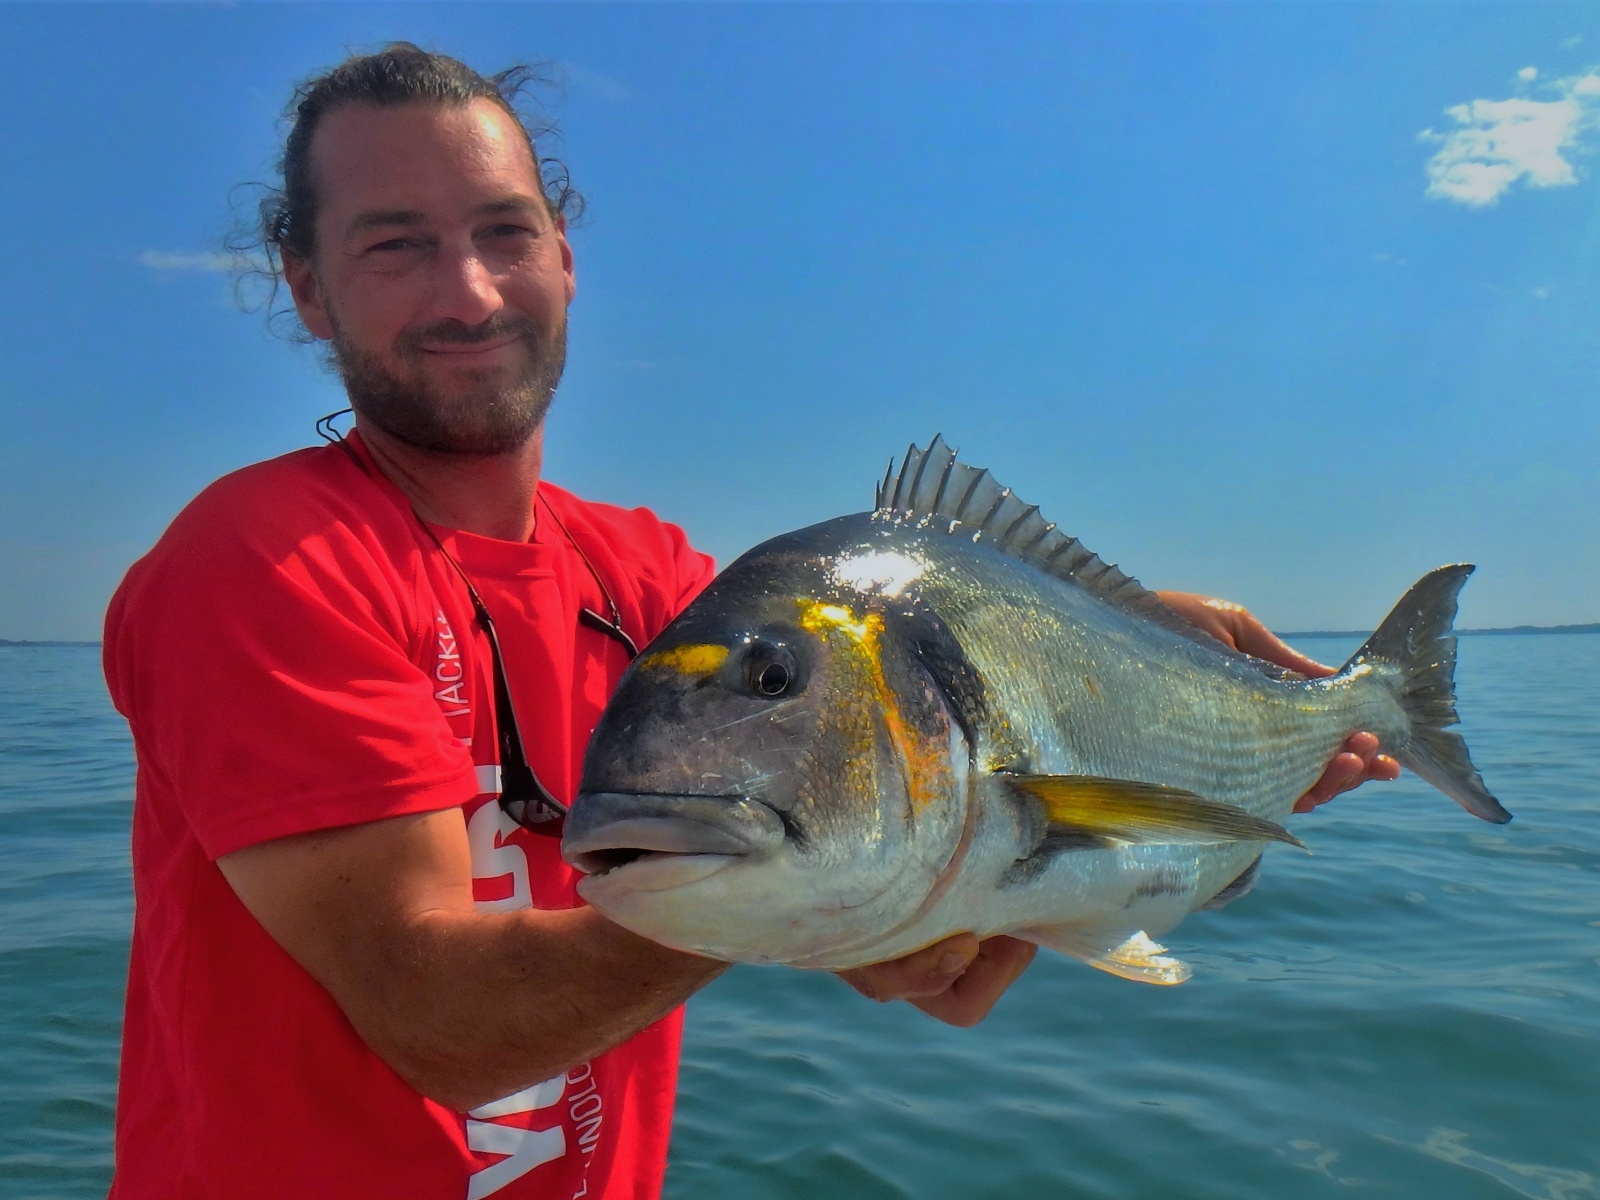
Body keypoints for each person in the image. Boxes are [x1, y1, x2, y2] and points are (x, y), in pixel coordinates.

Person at [101, 43, 1397, 1200]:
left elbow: (874, 746)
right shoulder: (264, 562)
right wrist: (803, 897)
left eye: (505, 231)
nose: (471, 291)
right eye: (395, 245)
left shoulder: (649, 576)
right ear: (307, 287)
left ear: (566, 257)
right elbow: (441, 1019)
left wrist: (1126, 683)